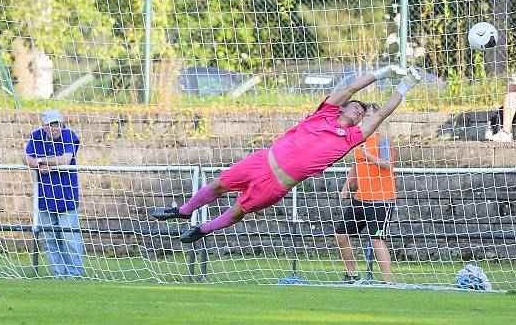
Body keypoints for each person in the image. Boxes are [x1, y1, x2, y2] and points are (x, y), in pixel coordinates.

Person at [153, 65, 421, 243]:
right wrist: (382, 73)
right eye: (355, 109)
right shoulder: (324, 114)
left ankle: (202, 230)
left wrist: (405, 86)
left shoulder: (351, 138)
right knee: (219, 184)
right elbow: (351, 89)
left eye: (362, 113)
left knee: (237, 212)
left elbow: (383, 113)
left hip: (278, 184)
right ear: (341, 109)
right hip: (262, 162)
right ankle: (185, 210)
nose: (359, 113)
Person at [334, 103, 396, 284]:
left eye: (371, 115)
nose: (366, 118)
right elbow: (356, 165)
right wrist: (347, 185)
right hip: (360, 198)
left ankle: (390, 283)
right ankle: (352, 274)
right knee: (341, 235)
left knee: (377, 239)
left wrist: (368, 155)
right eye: (364, 115)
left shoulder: (382, 140)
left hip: (381, 200)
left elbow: (387, 165)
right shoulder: (358, 140)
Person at [23, 109, 85, 278]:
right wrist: (36, 164)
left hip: (66, 196)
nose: (54, 128)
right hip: (45, 197)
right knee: (50, 238)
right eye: (50, 125)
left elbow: (65, 159)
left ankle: (74, 274)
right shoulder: (36, 136)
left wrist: (43, 161)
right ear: (43, 126)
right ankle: (59, 274)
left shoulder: (68, 135)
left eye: (56, 124)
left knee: (69, 237)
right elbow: (26, 158)